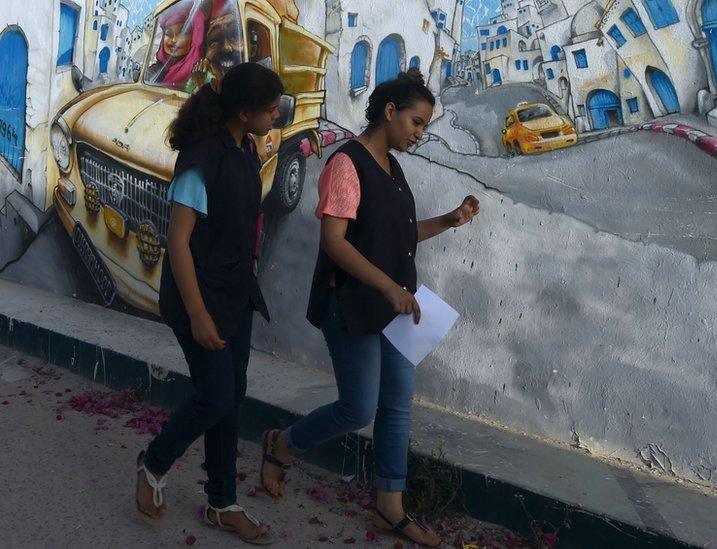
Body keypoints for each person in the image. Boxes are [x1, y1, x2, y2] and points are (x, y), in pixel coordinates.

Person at [259, 68, 480, 548]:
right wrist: (389, 289)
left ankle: (389, 507)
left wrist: (448, 220)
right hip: (354, 305)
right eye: (417, 123)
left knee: (397, 406)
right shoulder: (347, 164)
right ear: (390, 111)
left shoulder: (392, 168)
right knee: (358, 407)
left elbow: (396, 237)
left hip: (397, 307)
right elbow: (335, 243)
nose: (420, 135)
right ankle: (283, 443)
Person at [135, 62, 282, 546]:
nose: (276, 116)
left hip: (234, 297)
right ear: (244, 113)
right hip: (199, 301)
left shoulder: (242, 148)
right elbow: (178, 242)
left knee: (230, 399)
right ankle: (153, 463)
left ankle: (222, 503)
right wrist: (197, 314)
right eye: (269, 110)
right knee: (215, 396)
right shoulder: (201, 159)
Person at [145, 2, 206, 88]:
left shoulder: (201, 72)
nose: (174, 40)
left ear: (194, 38)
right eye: (168, 33)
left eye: (182, 34)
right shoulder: (155, 71)